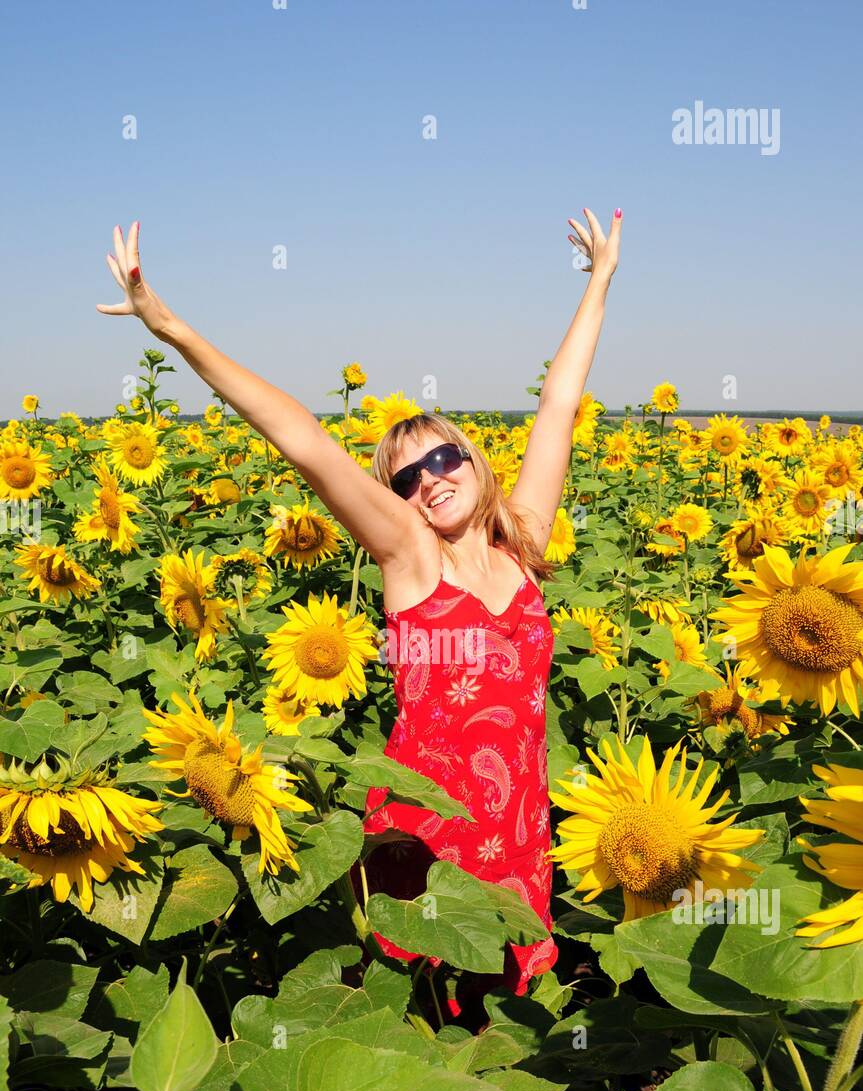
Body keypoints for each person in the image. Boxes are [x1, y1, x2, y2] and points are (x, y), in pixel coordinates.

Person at [97, 209, 622, 1009]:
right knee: (428, 1005)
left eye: (443, 458)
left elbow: (557, 405)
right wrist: (169, 327)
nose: (430, 481)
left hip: (518, 816)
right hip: (430, 827)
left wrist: (600, 281)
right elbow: (301, 437)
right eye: (406, 477)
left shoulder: (522, 547)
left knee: (507, 1007)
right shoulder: (411, 557)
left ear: (475, 462)